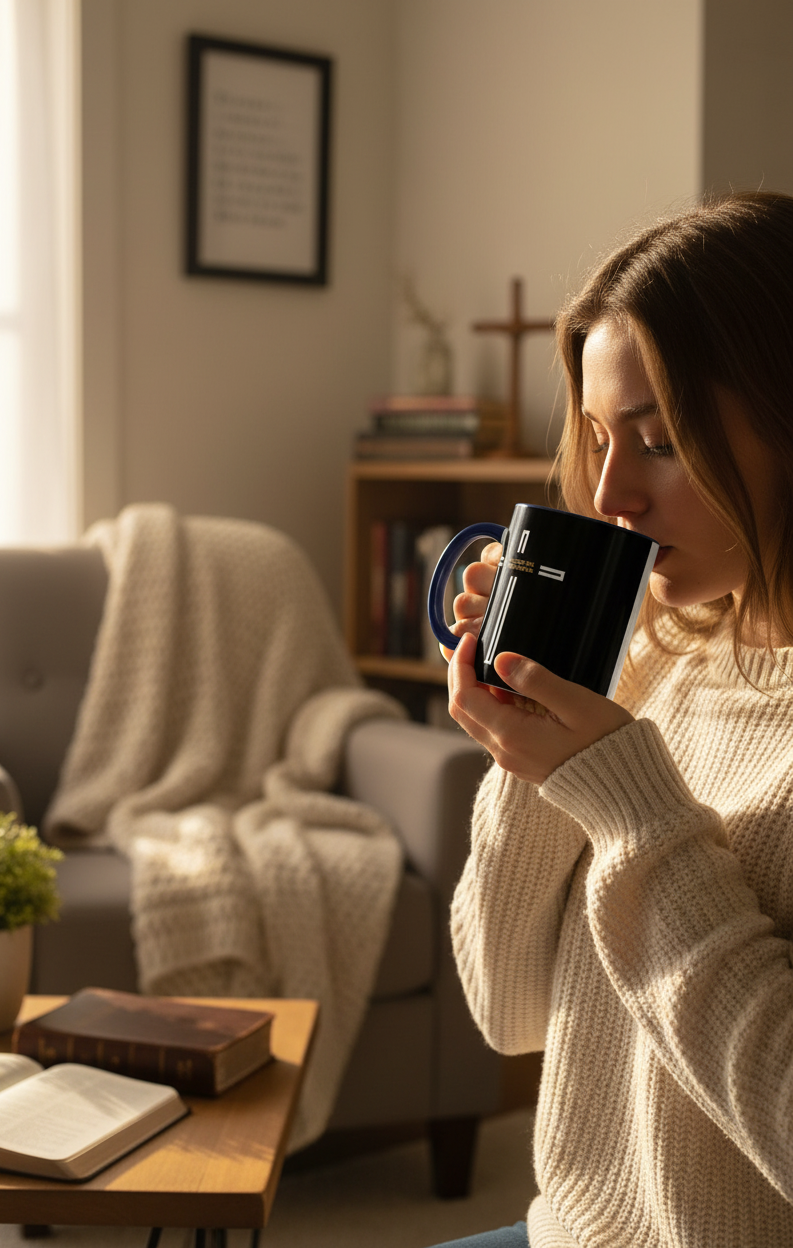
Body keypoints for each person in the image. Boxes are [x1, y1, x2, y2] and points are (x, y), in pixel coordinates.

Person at [428, 191, 793, 1248]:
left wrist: (630, 808)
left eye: (661, 439)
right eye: (598, 438)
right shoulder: (648, 663)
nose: (612, 496)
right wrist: (533, 746)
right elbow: (505, 1012)